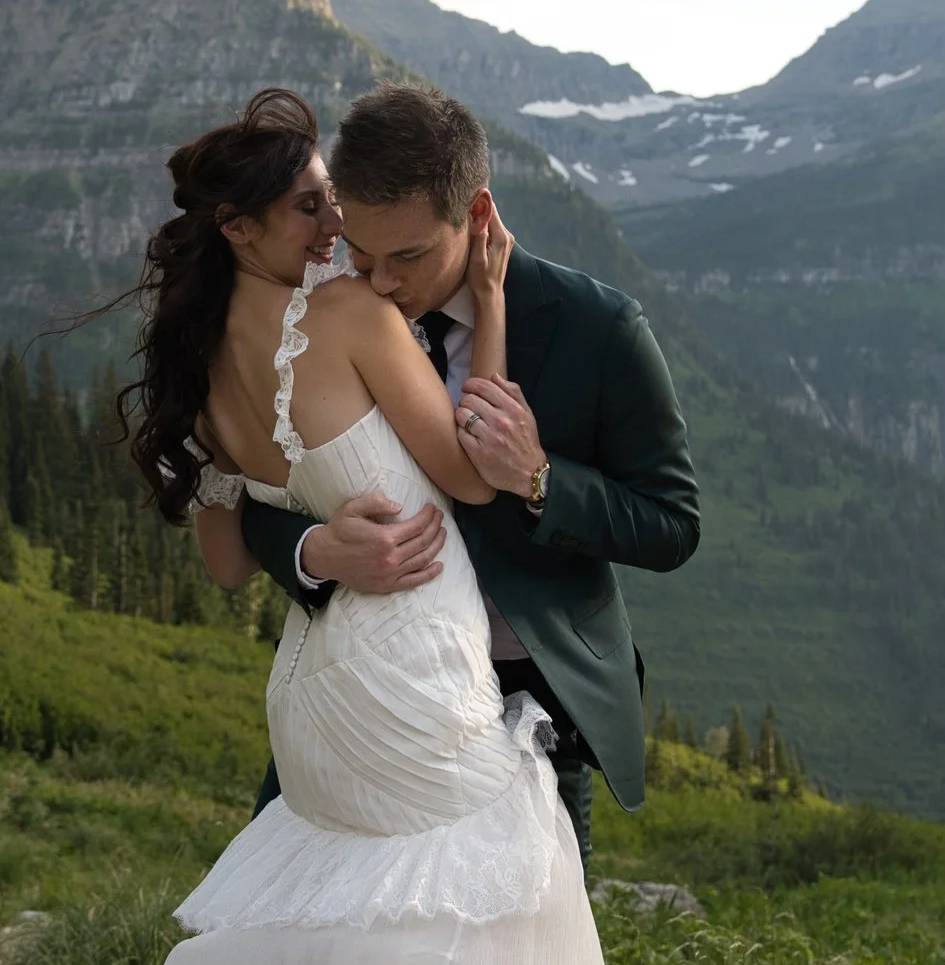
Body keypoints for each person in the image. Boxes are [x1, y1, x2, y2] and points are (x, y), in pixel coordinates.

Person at [0, 86, 620, 965]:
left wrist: (321, 543)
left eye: (330, 200)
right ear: (238, 228)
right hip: (412, 671)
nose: (333, 229)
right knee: (508, 905)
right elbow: (475, 477)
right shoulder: (347, 317)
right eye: (306, 209)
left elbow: (229, 557)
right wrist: (494, 297)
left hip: (312, 687)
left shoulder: (194, 372)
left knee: (352, 924)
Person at [249, 83, 701, 866]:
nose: (381, 281)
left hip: (533, 699)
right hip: (369, 694)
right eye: (363, 252)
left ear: (478, 214)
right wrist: (316, 551)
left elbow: (673, 522)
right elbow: (248, 498)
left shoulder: (600, 329)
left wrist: (540, 479)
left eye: (410, 256)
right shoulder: (320, 317)